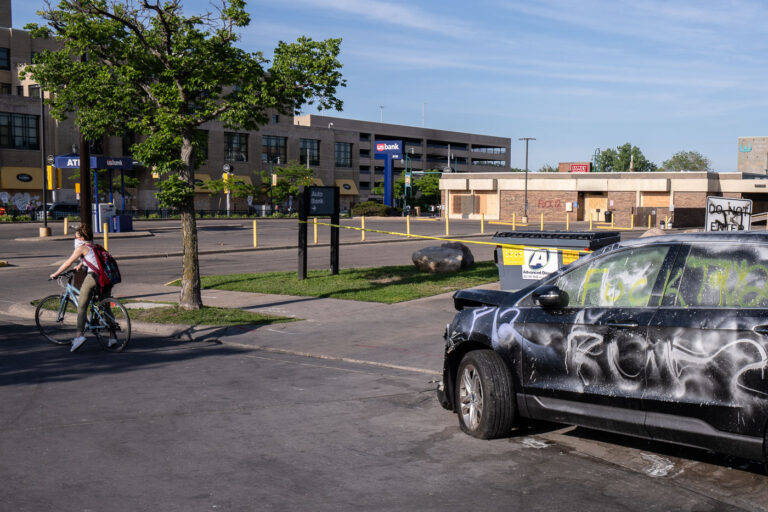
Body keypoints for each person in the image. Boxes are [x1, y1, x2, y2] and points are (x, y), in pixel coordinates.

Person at [49, 225, 115, 352]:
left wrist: (56, 273)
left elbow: (68, 262)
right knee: (106, 307)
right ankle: (112, 337)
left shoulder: (81, 248)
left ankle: (79, 336)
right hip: (106, 277)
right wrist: (80, 264)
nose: (75, 238)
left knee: (81, 306)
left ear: (82, 237)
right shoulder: (94, 246)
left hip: (94, 277)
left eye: (76, 236)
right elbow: (92, 260)